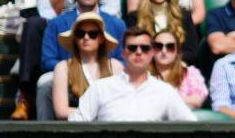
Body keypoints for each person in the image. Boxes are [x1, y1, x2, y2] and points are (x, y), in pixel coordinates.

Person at [68, 26, 196, 122]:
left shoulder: (164, 91)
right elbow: (76, 124)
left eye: (144, 48)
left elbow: (190, 125)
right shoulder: (100, 88)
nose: (139, 52)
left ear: (152, 53)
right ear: (123, 53)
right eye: (132, 48)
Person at [50, 11, 116, 120]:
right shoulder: (63, 68)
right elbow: (61, 111)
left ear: (101, 38)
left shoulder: (114, 66)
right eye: (80, 34)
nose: (86, 37)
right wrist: (97, 114)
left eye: (93, 34)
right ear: (75, 38)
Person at [151, 29, 209, 109]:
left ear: (177, 51)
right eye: (158, 46)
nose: (164, 51)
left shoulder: (190, 73)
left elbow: (197, 100)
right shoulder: (143, 76)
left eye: (170, 46)